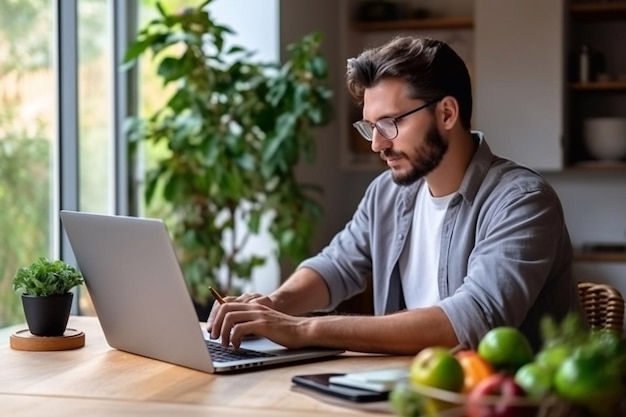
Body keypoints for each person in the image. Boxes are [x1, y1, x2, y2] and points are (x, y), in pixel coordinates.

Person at [207, 36, 581, 354]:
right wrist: (274, 304)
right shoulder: (387, 193)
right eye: (370, 127)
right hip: (406, 391)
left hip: (509, 402)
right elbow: (336, 266)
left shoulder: (522, 201)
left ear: (447, 113)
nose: (377, 145)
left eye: (390, 123)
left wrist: (302, 329)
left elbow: (472, 321)